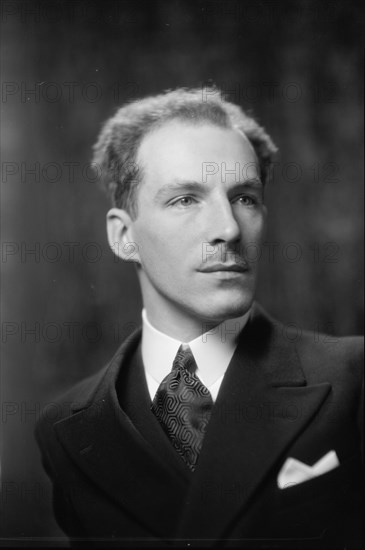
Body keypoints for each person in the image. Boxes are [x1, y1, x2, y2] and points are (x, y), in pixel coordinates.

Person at [35, 87, 363, 548]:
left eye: (245, 198)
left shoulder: (353, 376)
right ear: (124, 236)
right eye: (186, 199)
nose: (228, 228)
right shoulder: (69, 427)